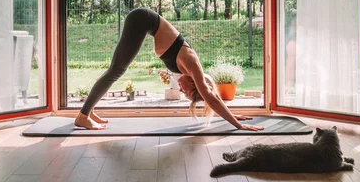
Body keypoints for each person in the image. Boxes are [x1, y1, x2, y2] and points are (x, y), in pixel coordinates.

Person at [75, 7, 265, 132]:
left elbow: (210, 101)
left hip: (143, 22)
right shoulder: (193, 64)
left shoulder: (189, 72)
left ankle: (88, 111)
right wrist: (238, 125)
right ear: (194, 83)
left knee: (115, 70)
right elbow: (211, 97)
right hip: (141, 20)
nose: (181, 90)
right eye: (186, 91)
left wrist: (231, 115)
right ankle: (83, 116)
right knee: (116, 71)